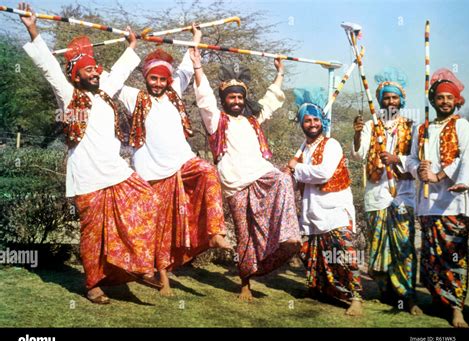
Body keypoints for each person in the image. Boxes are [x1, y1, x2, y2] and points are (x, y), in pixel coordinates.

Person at [19, 2, 159, 304]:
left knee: (148, 199)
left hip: (115, 169)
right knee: (92, 234)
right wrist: (33, 30)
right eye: (88, 70)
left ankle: (139, 264)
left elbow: (119, 72)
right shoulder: (70, 96)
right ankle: (93, 284)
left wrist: (132, 46)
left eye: (95, 69)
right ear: (76, 76)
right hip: (86, 175)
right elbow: (49, 68)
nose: (95, 73)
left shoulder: (104, 91)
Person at [117, 26, 230, 296]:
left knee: (208, 171)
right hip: (153, 174)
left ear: (168, 81)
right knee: (161, 230)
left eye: (162, 79)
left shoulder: (174, 93)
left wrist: (197, 39)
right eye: (153, 79)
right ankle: (164, 279)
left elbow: (188, 63)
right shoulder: (135, 97)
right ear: (146, 78)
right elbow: (113, 81)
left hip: (183, 162)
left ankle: (215, 231)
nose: (157, 83)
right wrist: (129, 48)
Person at [191, 48, 301, 301]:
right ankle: (245, 285)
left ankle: (288, 236)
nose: (237, 101)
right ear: (225, 99)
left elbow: (271, 101)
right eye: (232, 98)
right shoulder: (216, 121)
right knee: (244, 235)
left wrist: (280, 73)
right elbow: (205, 99)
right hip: (235, 185)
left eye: (240, 97)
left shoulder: (252, 120)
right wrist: (198, 67)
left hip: (261, 176)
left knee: (284, 178)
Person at [286, 88, 363, 316]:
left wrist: (296, 167)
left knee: (343, 254)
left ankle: (355, 298)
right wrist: (292, 167)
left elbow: (323, 173)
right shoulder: (304, 148)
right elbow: (297, 172)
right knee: (314, 255)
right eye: (307, 120)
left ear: (322, 121)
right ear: (301, 124)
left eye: (315, 119)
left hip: (334, 210)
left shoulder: (332, 145)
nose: (311, 124)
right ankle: (319, 290)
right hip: (312, 210)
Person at [351, 68, 421, 315]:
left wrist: (396, 159)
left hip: (402, 194)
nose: (391, 102)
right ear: (380, 101)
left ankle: (408, 296)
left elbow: (415, 160)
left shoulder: (412, 127)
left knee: (403, 245)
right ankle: (387, 291)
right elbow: (359, 154)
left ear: (401, 101)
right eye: (386, 98)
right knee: (379, 246)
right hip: (377, 195)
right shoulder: (372, 125)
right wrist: (358, 133)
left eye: (395, 98)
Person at [406, 68, 469, 327]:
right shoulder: (422, 128)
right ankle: (439, 301)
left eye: (449, 97)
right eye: (440, 97)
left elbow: (467, 156)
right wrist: (418, 170)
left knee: (453, 256)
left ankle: (457, 308)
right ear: (432, 100)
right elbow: (412, 158)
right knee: (432, 258)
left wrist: (440, 175)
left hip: (453, 202)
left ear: (457, 101)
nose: (445, 101)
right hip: (427, 205)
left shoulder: (462, 125)